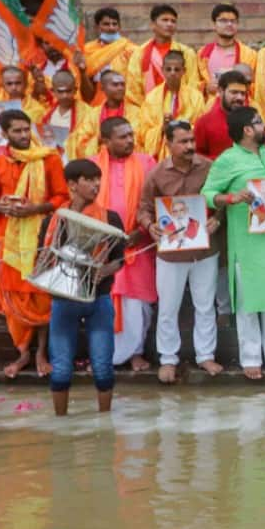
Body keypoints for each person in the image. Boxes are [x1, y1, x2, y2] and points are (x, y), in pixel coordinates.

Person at [202, 106, 265, 379]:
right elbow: (207, 193)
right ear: (247, 129)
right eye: (259, 122)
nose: (263, 126)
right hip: (247, 244)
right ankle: (251, 358)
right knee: (248, 301)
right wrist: (231, 198)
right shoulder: (228, 159)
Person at [0, 109, 68, 378]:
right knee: (15, 297)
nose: (22, 135)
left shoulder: (49, 159)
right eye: (16, 131)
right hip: (10, 238)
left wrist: (35, 209)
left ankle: (41, 351)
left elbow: (61, 197)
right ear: (4, 134)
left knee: (41, 297)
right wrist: (0, 206)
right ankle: (23, 353)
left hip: (42, 235)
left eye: (25, 130)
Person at [138, 120, 222, 384]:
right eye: (183, 142)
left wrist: (217, 219)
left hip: (204, 250)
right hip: (171, 254)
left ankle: (205, 355)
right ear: (168, 143)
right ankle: (168, 359)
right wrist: (150, 226)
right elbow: (143, 209)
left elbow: (222, 199)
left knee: (206, 305)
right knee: (168, 307)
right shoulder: (156, 174)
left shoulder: (208, 167)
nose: (190, 146)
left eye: (191, 141)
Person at [44, 159, 127, 417]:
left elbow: (120, 258)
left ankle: (105, 424)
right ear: (72, 184)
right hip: (63, 297)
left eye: (97, 179)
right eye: (88, 180)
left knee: (103, 367)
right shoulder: (55, 220)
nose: (96, 185)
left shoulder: (110, 218)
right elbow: (45, 257)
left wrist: (108, 269)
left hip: (98, 296)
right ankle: (61, 423)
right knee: (60, 369)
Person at [91, 117, 157, 371]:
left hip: (138, 243)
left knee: (137, 304)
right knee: (106, 300)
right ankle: (107, 354)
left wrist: (142, 230)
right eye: (122, 137)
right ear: (106, 141)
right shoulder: (93, 166)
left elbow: (155, 200)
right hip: (103, 248)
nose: (130, 140)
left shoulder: (146, 162)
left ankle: (135, 352)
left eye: (131, 134)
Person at [125, 4, 200, 109]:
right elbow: (133, 88)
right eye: (165, 20)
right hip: (149, 109)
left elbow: (193, 83)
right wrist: (146, 110)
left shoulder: (186, 52)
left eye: (173, 21)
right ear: (152, 25)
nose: (169, 24)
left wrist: (183, 107)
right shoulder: (140, 53)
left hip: (181, 107)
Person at [137, 50, 205, 160]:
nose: (172, 73)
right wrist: (162, 128)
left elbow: (200, 128)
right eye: (168, 69)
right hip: (160, 156)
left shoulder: (196, 97)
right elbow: (143, 132)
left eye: (177, 69)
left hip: (187, 153)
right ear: (162, 70)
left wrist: (177, 126)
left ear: (184, 71)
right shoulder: (151, 97)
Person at [68, 70, 135, 161]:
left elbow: (138, 140)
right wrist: (100, 139)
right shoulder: (92, 114)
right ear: (103, 88)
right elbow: (81, 143)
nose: (120, 88)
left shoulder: (136, 112)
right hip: (99, 163)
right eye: (115, 85)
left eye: (122, 84)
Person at [197, 3, 258, 97]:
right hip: (211, 106)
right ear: (214, 24)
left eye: (233, 21)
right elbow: (193, 84)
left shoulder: (250, 54)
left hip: (239, 105)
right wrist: (206, 88)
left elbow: (256, 86)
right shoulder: (202, 53)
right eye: (223, 21)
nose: (229, 24)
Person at [83, 7, 136, 105]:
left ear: (119, 27)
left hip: (124, 101)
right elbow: (85, 77)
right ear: (97, 27)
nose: (111, 28)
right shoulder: (87, 49)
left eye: (114, 24)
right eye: (106, 24)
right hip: (97, 101)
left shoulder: (130, 49)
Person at [193, 70, 250, 160]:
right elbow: (195, 158)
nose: (239, 97)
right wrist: (224, 161)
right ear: (220, 91)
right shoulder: (204, 123)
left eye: (243, 93)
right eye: (234, 92)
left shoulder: (252, 120)